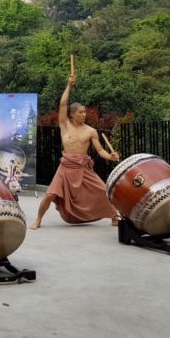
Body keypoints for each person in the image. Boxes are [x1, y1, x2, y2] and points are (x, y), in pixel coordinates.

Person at [30, 72, 121, 230]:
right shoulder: (65, 125)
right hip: (66, 167)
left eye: (85, 112)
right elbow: (63, 104)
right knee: (50, 194)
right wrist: (69, 85)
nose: (84, 114)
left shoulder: (91, 131)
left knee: (103, 190)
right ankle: (38, 219)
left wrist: (111, 157)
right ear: (72, 115)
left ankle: (115, 215)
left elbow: (100, 151)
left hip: (83, 168)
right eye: (81, 112)